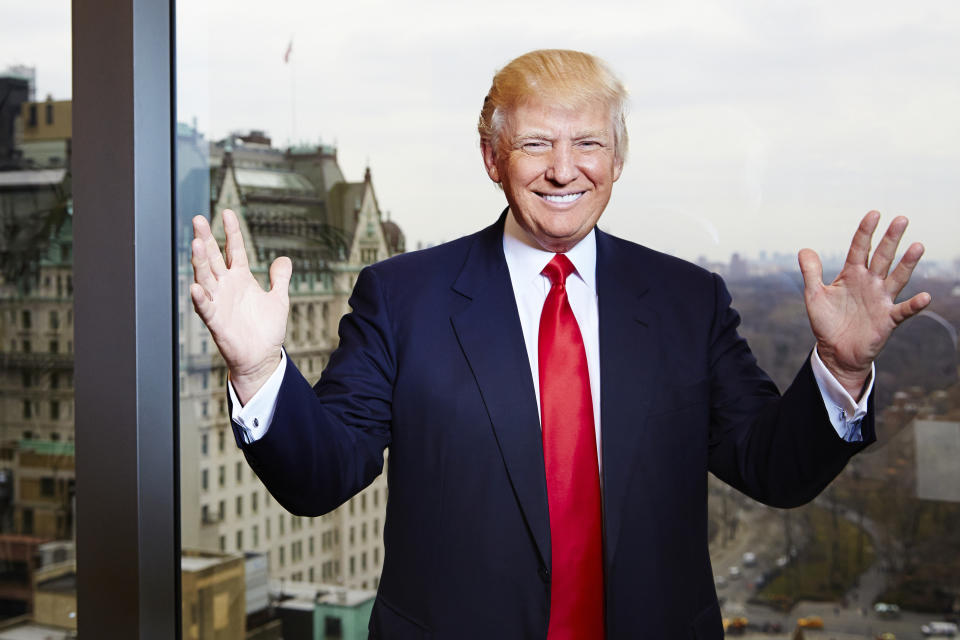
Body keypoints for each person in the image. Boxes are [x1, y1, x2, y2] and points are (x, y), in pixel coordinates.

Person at [190, 50, 929, 639]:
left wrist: (840, 366)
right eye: (536, 143)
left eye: (588, 144)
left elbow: (773, 470)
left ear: (618, 157)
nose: (564, 168)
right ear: (492, 157)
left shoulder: (685, 301)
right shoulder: (402, 297)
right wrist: (258, 369)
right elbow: (322, 476)